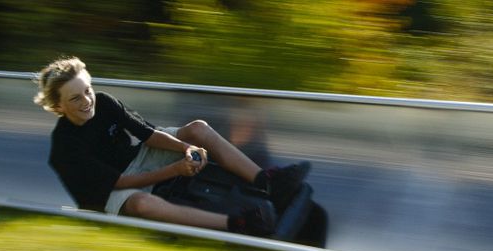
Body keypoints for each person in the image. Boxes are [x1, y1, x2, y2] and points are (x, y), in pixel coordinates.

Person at [34, 56, 310, 236]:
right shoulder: (65, 148)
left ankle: (268, 181)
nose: (87, 101)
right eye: (75, 99)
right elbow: (120, 182)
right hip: (110, 194)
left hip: (137, 159)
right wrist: (177, 168)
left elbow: (148, 134)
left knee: (198, 129)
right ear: (58, 106)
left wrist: (184, 149)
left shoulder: (104, 101)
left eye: (87, 90)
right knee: (142, 204)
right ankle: (237, 224)